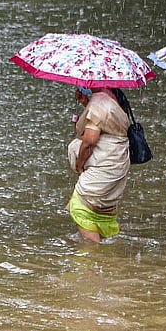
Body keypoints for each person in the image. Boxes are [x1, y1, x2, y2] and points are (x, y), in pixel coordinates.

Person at [67, 86, 131, 243]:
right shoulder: (114, 99)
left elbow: (89, 141)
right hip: (116, 164)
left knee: (80, 207)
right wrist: (86, 103)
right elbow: (107, 125)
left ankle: (94, 257)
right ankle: (108, 259)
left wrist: (79, 165)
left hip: (103, 166)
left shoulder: (99, 103)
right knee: (103, 211)